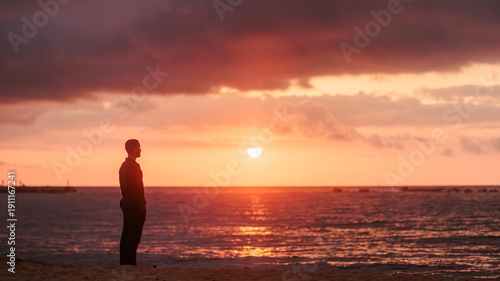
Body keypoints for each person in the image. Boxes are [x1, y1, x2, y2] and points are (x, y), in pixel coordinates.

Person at [119, 139, 147, 265]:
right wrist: (142, 205)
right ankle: (130, 264)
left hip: (127, 204)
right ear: (133, 148)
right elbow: (137, 189)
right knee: (133, 237)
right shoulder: (134, 166)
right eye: (139, 147)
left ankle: (125, 263)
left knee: (126, 235)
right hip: (135, 206)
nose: (140, 149)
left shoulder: (123, 166)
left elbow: (124, 188)